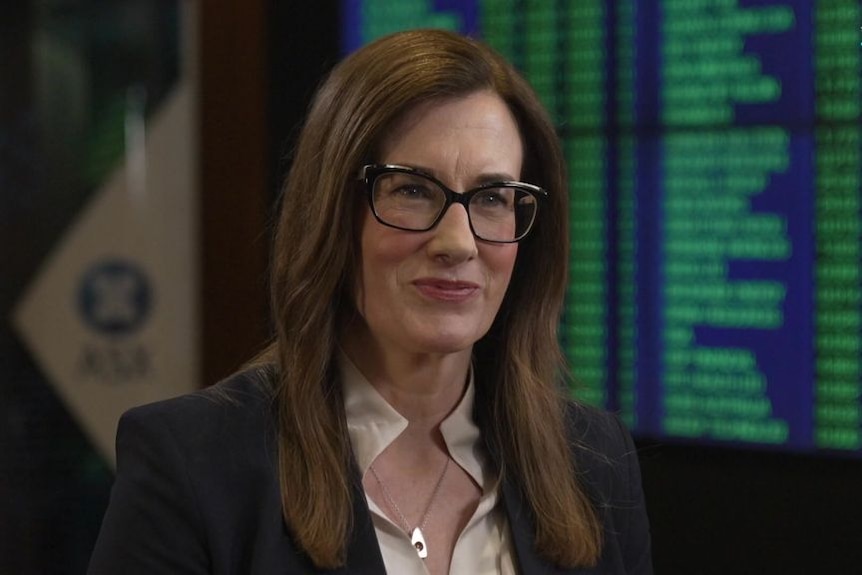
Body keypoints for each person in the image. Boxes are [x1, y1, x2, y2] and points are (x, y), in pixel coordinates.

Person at [87, 29, 652, 574]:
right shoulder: (191, 465)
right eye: (411, 190)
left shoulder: (593, 463)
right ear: (333, 212)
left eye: (492, 198)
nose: (457, 243)